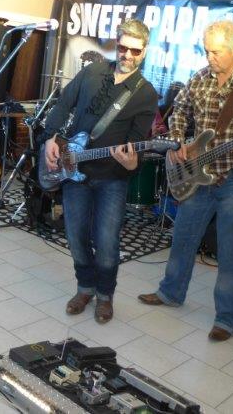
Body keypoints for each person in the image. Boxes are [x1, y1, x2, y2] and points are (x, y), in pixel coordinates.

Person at [138, 20, 233, 341]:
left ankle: (227, 318)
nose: (210, 57)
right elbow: (180, 110)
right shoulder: (200, 77)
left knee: (232, 251)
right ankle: (170, 293)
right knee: (183, 237)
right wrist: (178, 140)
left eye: (216, 52)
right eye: (206, 51)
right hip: (198, 174)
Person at [43, 18, 157, 323]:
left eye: (135, 50)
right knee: (75, 235)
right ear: (116, 44)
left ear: (144, 51)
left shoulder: (145, 93)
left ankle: (105, 296)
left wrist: (132, 162)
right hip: (74, 170)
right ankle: (85, 288)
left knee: (107, 242)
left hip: (112, 179)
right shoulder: (92, 72)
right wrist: (51, 137)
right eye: (123, 48)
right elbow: (63, 104)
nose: (128, 55)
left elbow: (135, 145)